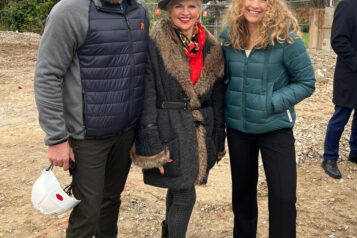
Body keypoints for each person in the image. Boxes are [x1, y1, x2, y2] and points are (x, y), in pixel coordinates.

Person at [34, 0, 149, 236]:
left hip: (126, 133)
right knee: (87, 212)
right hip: (87, 137)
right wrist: (56, 138)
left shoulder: (140, 9)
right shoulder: (69, 11)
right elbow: (47, 75)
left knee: (110, 203)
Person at [130, 0, 226, 237]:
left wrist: (218, 139)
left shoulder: (213, 47)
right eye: (178, 6)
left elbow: (217, 99)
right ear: (168, 9)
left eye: (192, 6)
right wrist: (151, 146)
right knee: (185, 194)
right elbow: (147, 95)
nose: (185, 12)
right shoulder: (154, 44)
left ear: (200, 10)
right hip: (168, 130)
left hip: (200, 132)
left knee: (179, 188)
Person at [220, 0, 315, 237]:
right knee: (242, 195)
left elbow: (306, 82)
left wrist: (270, 102)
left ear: (272, 4)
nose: (254, 4)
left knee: (283, 197)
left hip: (274, 127)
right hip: (238, 129)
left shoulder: (286, 39)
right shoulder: (228, 37)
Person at [321, 0, 357, 179]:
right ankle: (329, 157)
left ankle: (355, 152)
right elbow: (338, 40)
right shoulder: (348, 6)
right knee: (341, 115)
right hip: (349, 75)